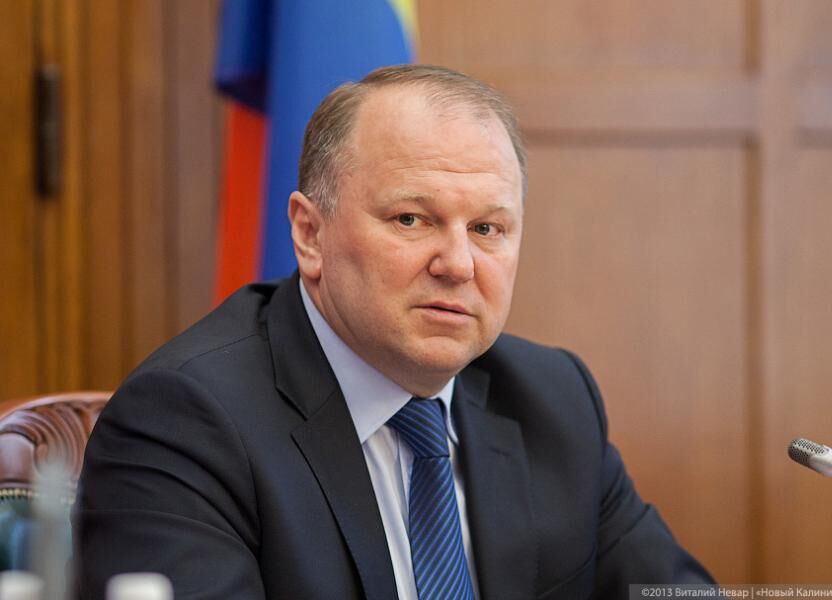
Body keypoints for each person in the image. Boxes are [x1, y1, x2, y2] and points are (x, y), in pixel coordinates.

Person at [74, 65, 712, 599]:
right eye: (412, 219)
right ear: (310, 234)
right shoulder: (185, 422)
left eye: (487, 229)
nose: (458, 264)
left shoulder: (554, 400)